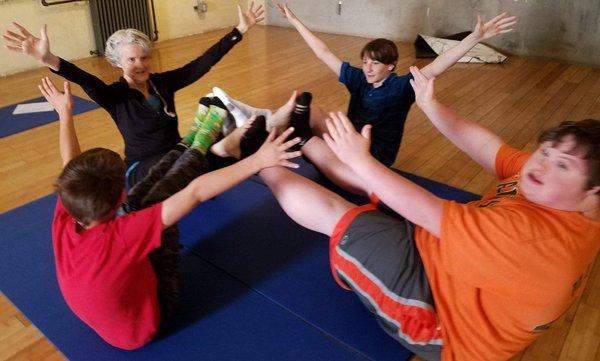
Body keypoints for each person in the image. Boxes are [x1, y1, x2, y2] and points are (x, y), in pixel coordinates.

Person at [254, 66, 600, 360]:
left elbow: (429, 211)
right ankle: (301, 138)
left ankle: (257, 157)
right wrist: (431, 105)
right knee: (370, 179)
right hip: (455, 258)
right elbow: (485, 145)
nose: (541, 163)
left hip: (441, 319)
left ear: (594, 192)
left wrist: (362, 159)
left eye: (563, 165)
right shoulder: (554, 187)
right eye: (544, 151)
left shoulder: (534, 240)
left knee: (345, 216)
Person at [40, 76, 301, 350]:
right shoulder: (119, 237)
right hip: (147, 323)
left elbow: (70, 166)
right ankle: (198, 146)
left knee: (142, 203)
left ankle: (191, 144)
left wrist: (64, 114)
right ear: (119, 196)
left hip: (111, 302)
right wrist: (257, 161)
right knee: (161, 201)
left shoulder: (69, 211)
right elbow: (194, 193)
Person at [217, 3, 514, 197]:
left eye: (375, 64)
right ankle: (254, 127)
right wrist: (295, 20)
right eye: (366, 63)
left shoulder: (402, 87)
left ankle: (280, 137)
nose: (368, 69)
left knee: (312, 142)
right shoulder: (359, 77)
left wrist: (473, 38)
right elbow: (323, 52)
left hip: (373, 156)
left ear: (391, 66)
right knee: (314, 111)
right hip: (349, 140)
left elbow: (439, 65)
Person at [3, 2, 264, 186]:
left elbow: (200, 65)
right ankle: (219, 148)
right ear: (117, 62)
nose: (140, 64)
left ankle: (223, 145)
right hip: (142, 169)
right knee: (208, 155)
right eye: (131, 59)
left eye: (144, 57)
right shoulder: (114, 96)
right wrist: (47, 57)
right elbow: (84, 78)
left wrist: (238, 32)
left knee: (213, 117)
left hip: (179, 153)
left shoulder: (162, 83)